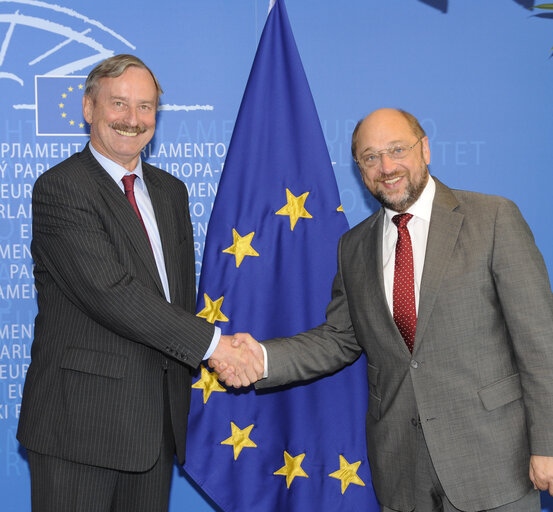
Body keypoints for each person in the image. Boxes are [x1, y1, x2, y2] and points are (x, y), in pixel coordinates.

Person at [211, 108, 553, 511]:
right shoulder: (354, 247)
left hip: (493, 462)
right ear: (359, 169)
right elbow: (339, 338)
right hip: (402, 473)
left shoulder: (493, 218)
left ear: (424, 149)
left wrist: (547, 443)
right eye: (370, 157)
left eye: (397, 150)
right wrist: (261, 358)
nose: (386, 166)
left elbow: (540, 342)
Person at [17, 54, 262, 512]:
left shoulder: (171, 191)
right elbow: (112, 293)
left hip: (155, 427)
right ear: (89, 108)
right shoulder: (62, 188)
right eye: (119, 104)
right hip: (80, 428)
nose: (133, 120)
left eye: (146, 107)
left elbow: (176, 297)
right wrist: (216, 347)